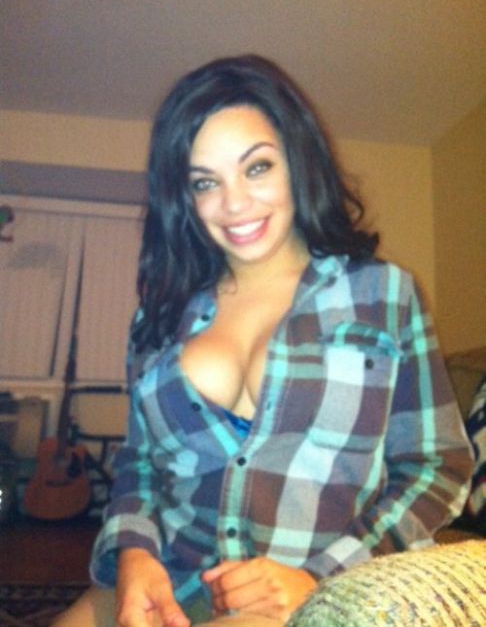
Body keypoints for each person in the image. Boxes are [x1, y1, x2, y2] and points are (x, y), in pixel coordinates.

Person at [54, 55, 473, 627]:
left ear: (297, 162)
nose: (234, 204)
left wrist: (320, 577)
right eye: (206, 182)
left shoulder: (383, 293)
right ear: (185, 198)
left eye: (257, 167)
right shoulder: (159, 315)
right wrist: (133, 552)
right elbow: (139, 462)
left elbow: (437, 465)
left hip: (313, 588)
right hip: (172, 579)